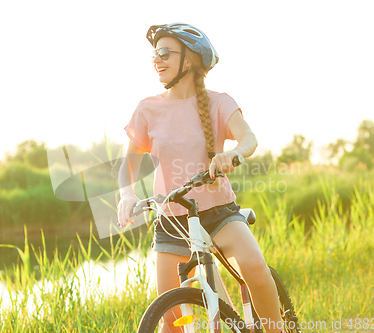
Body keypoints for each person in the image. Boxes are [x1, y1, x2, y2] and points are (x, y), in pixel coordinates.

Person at [117, 23, 283, 333]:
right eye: (155, 54)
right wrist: (126, 194)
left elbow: (249, 138)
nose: (157, 59)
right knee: (171, 318)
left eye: (165, 53)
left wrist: (234, 154)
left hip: (218, 213)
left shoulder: (219, 102)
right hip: (172, 220)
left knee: (255, 268)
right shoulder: (147, 109)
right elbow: (129, 163)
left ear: (190, 60)